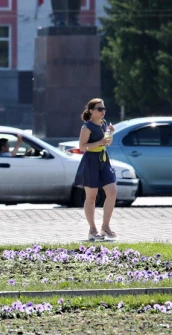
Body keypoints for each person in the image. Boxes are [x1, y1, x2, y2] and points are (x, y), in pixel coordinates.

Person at [74, 98, 117, 241]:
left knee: (112, 191)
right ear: (91, 111)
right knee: (91, 197)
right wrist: (100, 142)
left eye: (104, 109)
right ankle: (92, 229)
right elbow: (82, 147)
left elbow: (107, 143)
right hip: (90, 161)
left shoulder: (103, 123)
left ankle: (105, 227)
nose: (103, 111)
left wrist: (110, 133)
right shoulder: (87, 127)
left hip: (103, 160)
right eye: (99, 109)